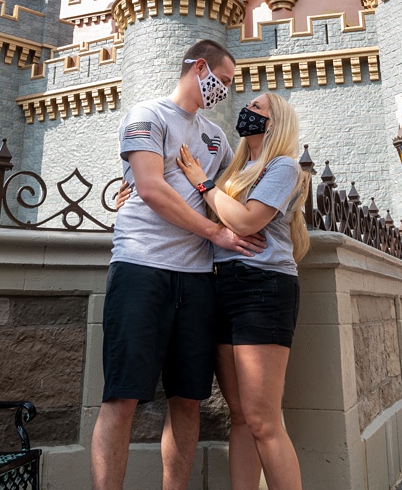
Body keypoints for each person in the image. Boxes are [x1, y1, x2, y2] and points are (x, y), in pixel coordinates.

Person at [90, 40, 266, 490]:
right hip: (141, 270)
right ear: (200, 67)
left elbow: (231, 195)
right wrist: (216, 233)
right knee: (122, 399)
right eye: (222, 81)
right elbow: (149, 188)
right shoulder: (146, 116)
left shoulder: (215, 137)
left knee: (188, 401)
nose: (224, 90)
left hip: (197, 282)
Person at [175, 92, 311, 490]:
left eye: (257, 108)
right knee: (239, 417)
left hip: (263, 289)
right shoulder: (238, 169)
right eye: (248, 105)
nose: (246, 111)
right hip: (222, 284)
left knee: (263, 420)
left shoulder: (284, 166)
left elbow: (247, 221)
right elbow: (209, 213)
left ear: (275, 122)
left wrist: (202, 182)